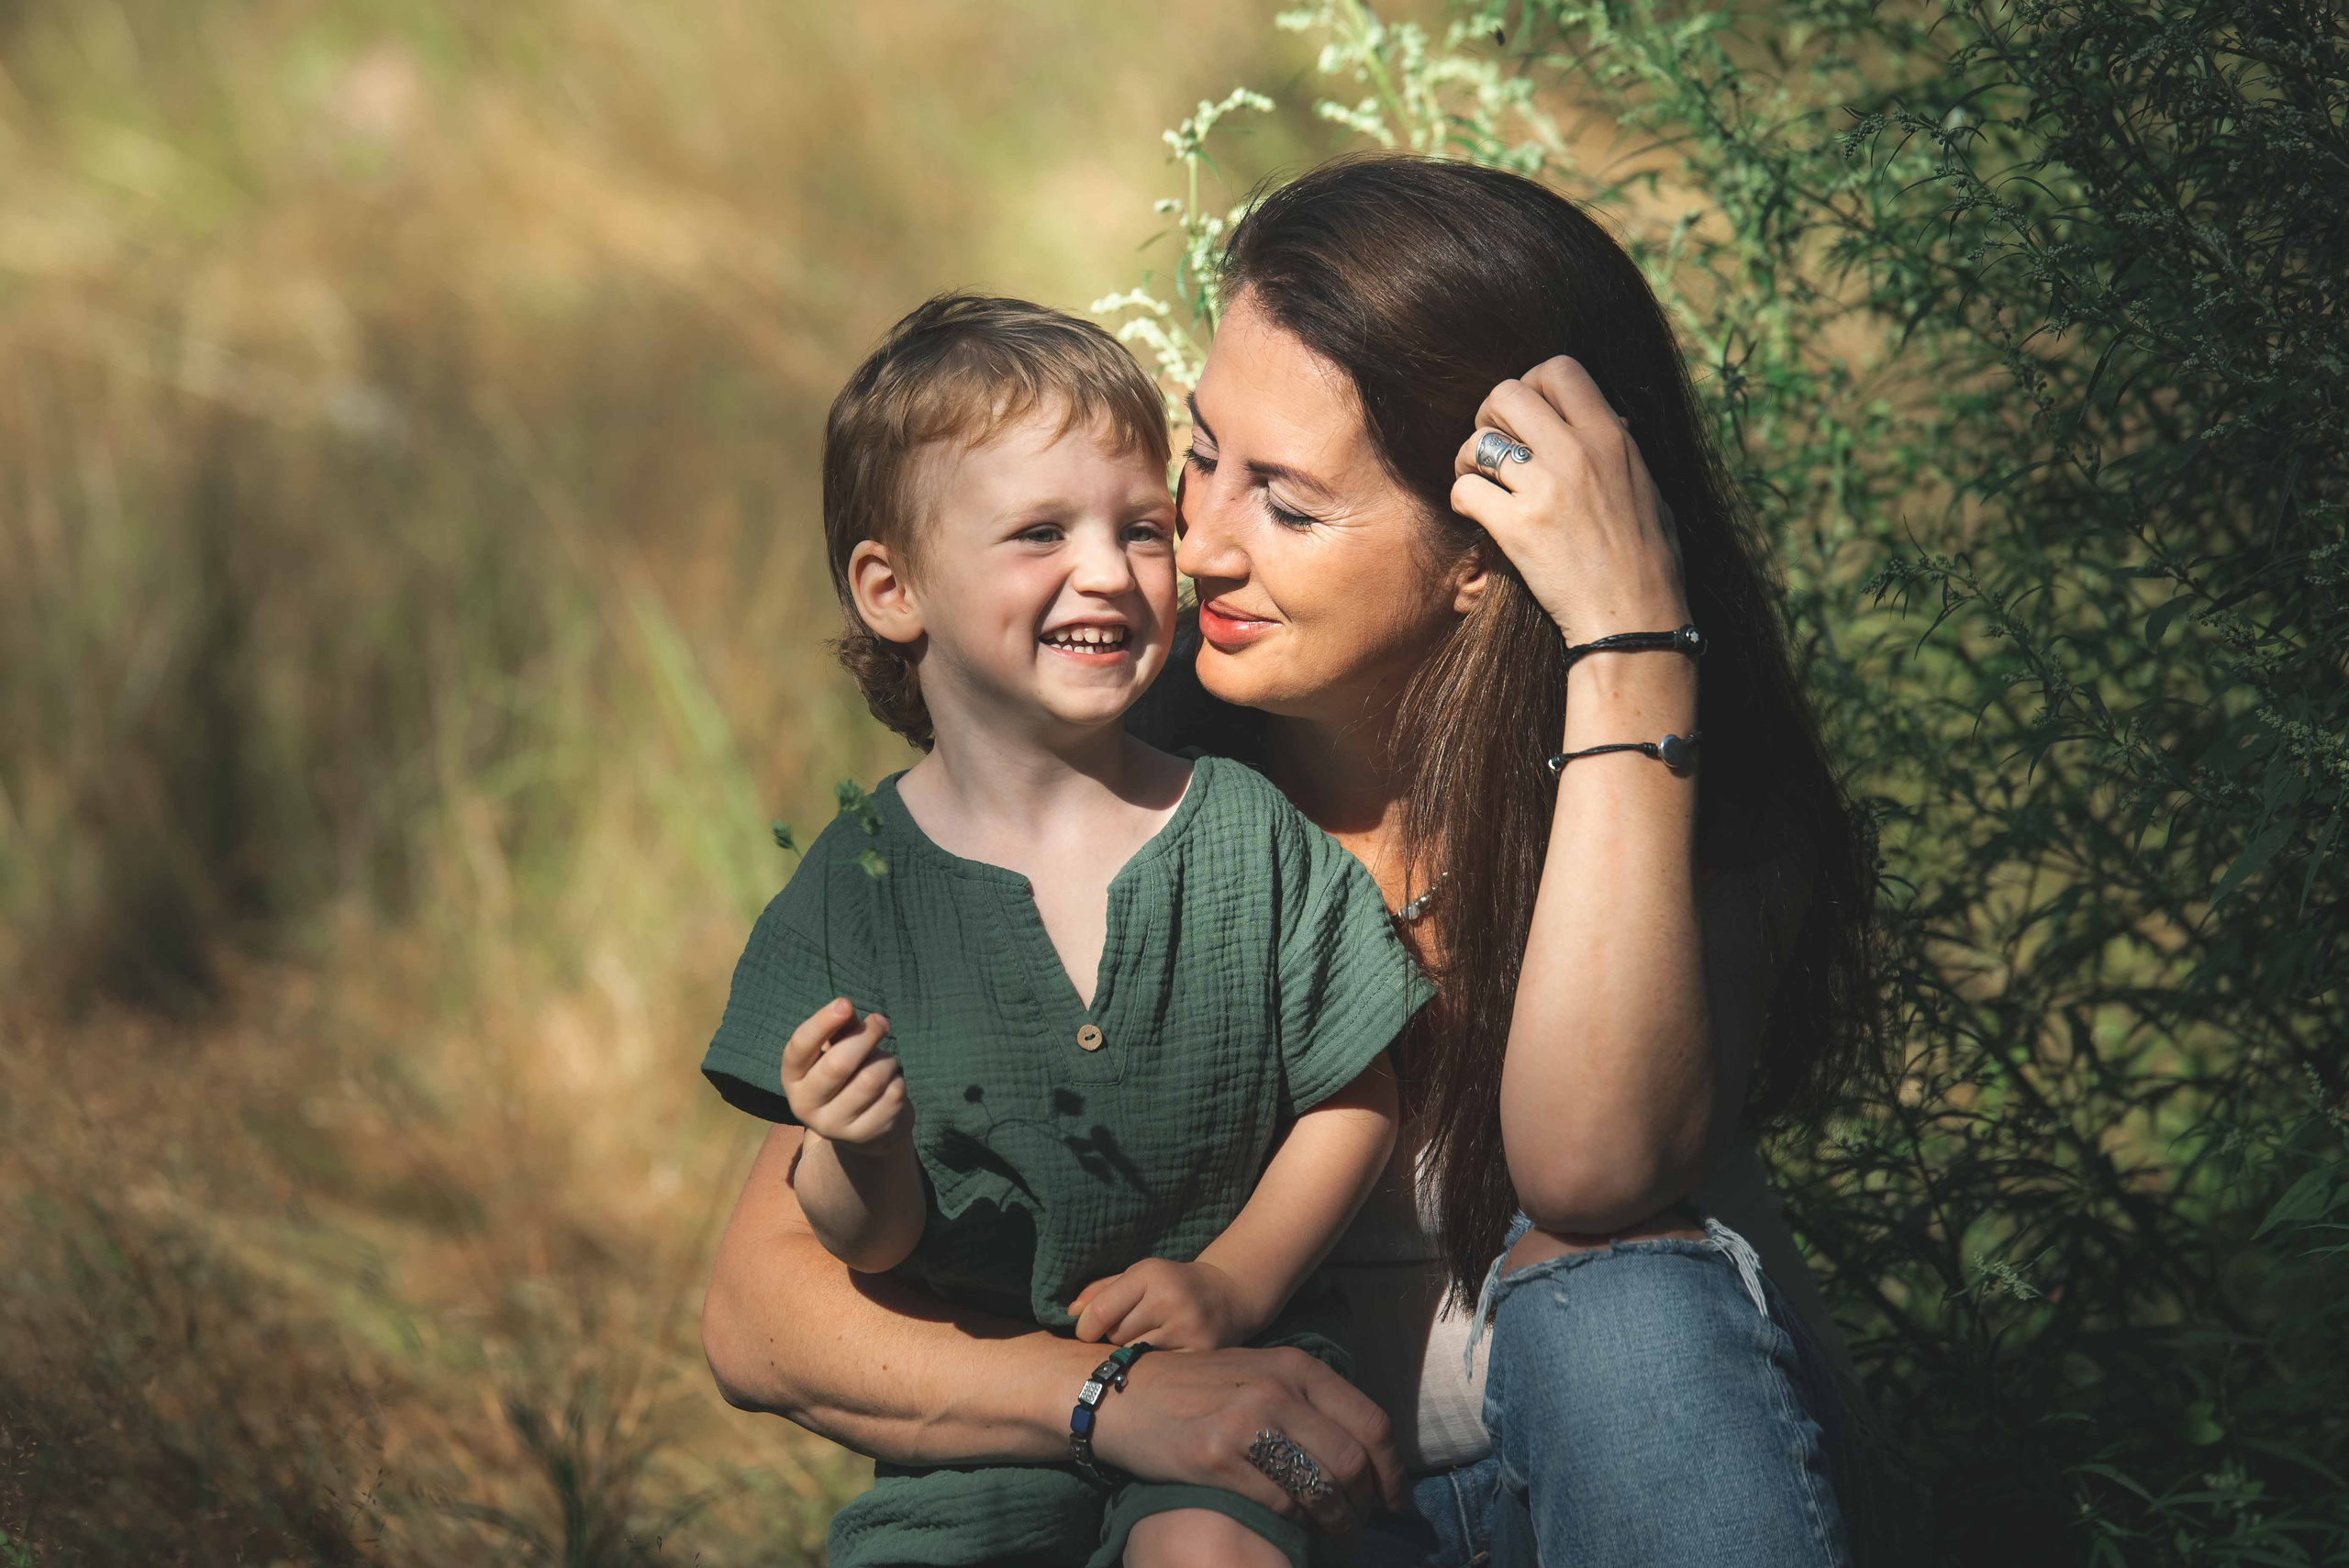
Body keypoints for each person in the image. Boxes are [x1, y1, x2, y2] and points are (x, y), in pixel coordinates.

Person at [701, 154, 1879, 1567]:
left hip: (1597, 1499)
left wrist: (1627, 640)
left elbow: (1591, 1168)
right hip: (1263, 1517)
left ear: (1484, 557)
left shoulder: (1671, 778)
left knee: (1624, 1299)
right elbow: (762, 1311)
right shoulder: (1116, 783)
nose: (1191, 543)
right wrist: (1118, 1402)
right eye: (1201, 454)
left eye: (1288, 502)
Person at [698, 293, 1427, 1568]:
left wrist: (1240, 1281)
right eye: (1042, 531)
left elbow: (1356, 1085)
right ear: (892, 587)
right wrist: (855, 1147)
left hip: (1239, 1377)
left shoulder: (1243, 832)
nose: (1110, 569)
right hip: (969, 1454)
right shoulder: (859, 887)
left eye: (1143, 528)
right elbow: (868, 1242)